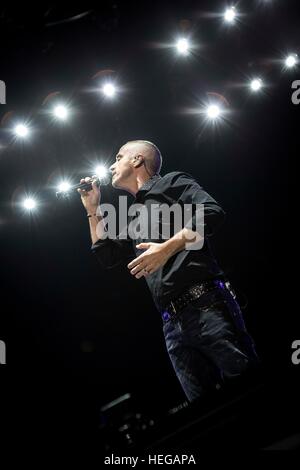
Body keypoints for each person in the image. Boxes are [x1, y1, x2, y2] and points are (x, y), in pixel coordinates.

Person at [78, 140, 258, 402]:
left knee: (247, 386)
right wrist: (92, 209)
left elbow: (212, 212)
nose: (111, 165)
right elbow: (106, 254)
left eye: (118, 157)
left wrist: (167, 248)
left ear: (138, 160)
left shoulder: (171, 182)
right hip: (171, 325)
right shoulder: (132, 216)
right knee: (203, 412)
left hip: (206, 304)